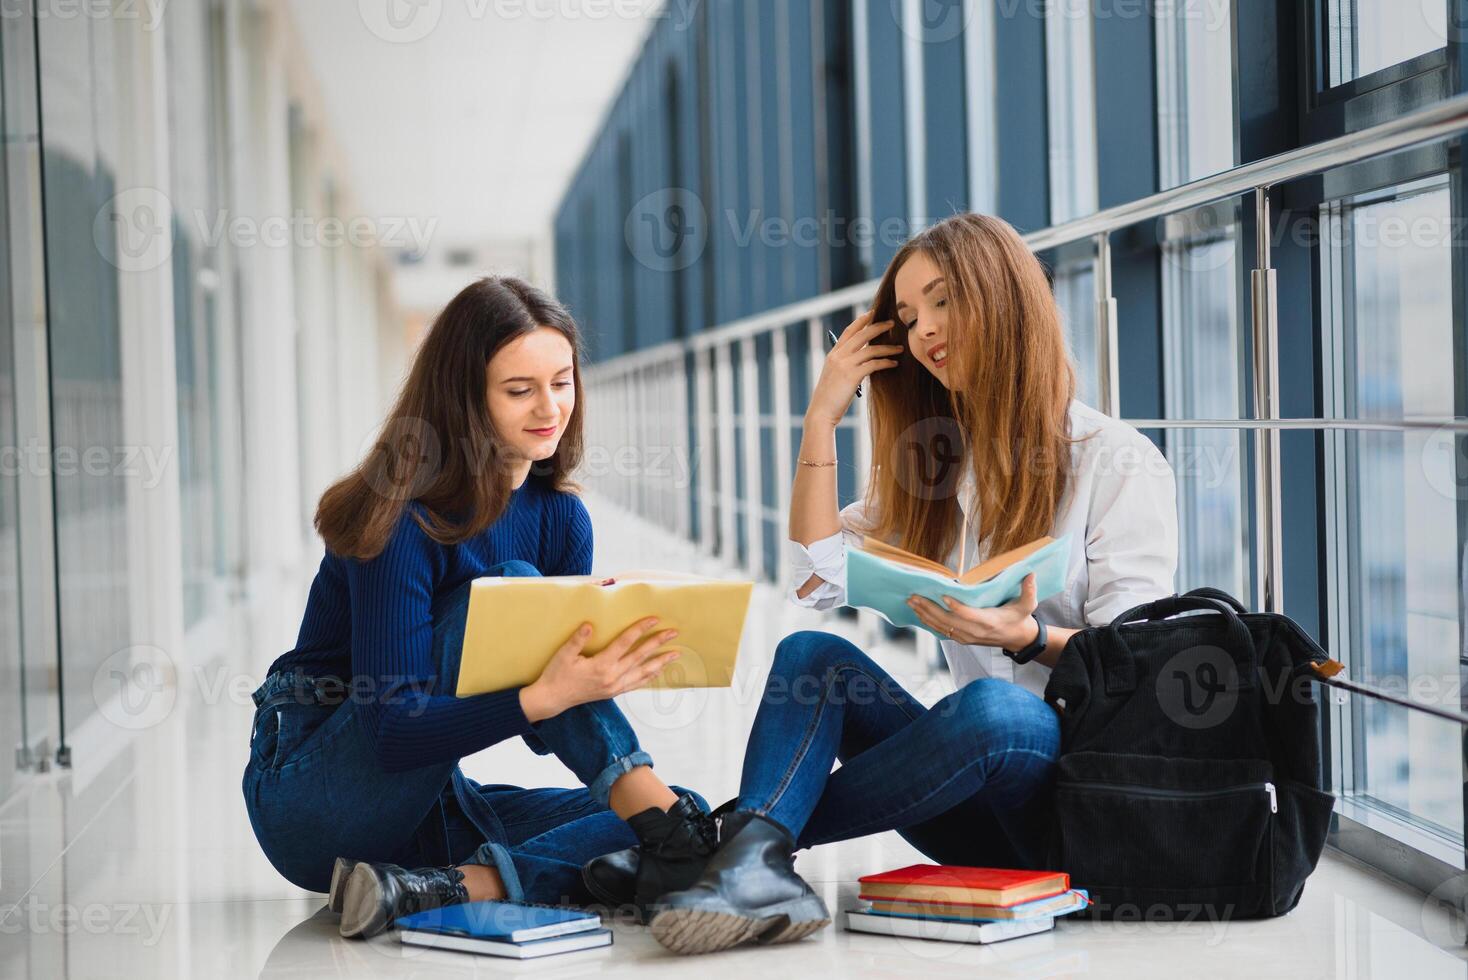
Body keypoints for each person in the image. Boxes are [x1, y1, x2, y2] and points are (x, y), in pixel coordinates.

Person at [637, 213, 1179, 954]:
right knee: (812, 658)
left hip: (1067, 806)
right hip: (957, 800)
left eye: (945, 299)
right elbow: (812, 578)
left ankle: (718, 844)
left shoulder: (1115, 460)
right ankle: (752, 857)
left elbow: (1136, 671)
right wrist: (822, 420)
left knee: (993, 707)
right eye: (908, 316)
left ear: (1004, 297)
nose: (925, 330)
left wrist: (1026, 638)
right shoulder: (938, 469)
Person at [241, 276, 714, 940]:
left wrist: (592, 662)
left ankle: (439, 888)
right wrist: (548, 691)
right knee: (512, 589)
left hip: (427, 808)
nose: (550, 407)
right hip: (318, 802)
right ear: (466, 398)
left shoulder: (561, 519)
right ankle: (674, 837)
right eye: (519, 390)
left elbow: (543, 731)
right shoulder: (403, 516)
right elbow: (393, 732)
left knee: (675, 809)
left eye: (562, 381)